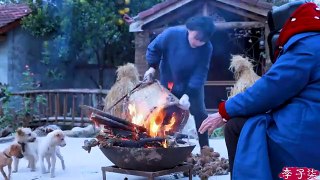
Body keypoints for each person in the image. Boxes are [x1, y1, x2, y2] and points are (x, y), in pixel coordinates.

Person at [199, 2, 320, 179]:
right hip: (312, 118)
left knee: (234, 126)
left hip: (306, 130)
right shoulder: (314, 41)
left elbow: (271, 89)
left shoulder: (305, 47)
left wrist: (224, 111)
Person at [143, 16, 215, 148]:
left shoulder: (207, 48)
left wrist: (188, 94)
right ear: (189, 29)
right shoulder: (171, 34)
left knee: (200, 113)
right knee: (165, 112)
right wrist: (152, 67)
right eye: (195, 38)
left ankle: (205, 148)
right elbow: (154, 48)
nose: (197, 42)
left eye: (202, 41)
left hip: (193, 86)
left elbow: (200, 72)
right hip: (169, 81)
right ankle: (162, 146)